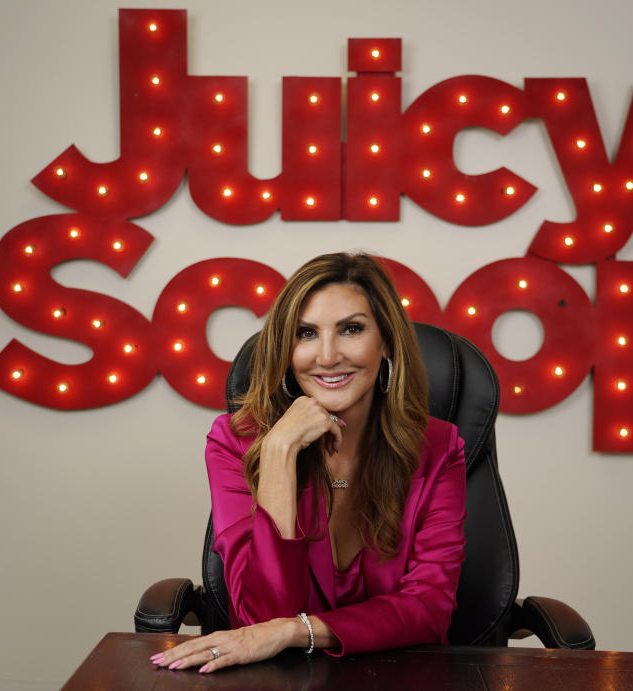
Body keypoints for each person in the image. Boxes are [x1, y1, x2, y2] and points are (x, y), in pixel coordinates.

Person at [151, 253, 466, 673]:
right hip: (277, 681)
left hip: (402, 675)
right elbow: (260, 616)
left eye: (351, 329)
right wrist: (279, 451)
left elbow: (429, 609)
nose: (329, 355)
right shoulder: (235, 442)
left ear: (386, 341)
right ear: (286, 349)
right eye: (306, 334)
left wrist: (296, 631)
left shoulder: (439, 446)